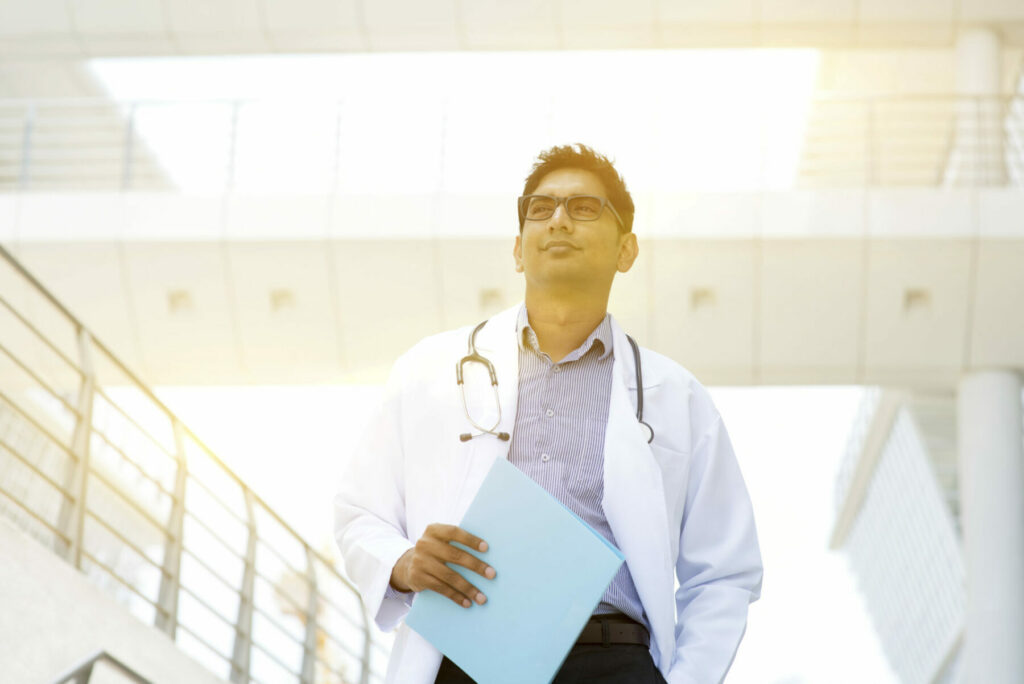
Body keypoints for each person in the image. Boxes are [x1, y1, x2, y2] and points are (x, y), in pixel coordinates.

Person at [334, 143, 763, 684]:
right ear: (518, 249)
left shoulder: (677, 397)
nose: (559, 219)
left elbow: (724, 570)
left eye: (584, 208)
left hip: (612, 659)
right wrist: (399, 564)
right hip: (467, 655)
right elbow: (358, 512)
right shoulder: (429, 370)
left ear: (626, 250)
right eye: (541, 208)